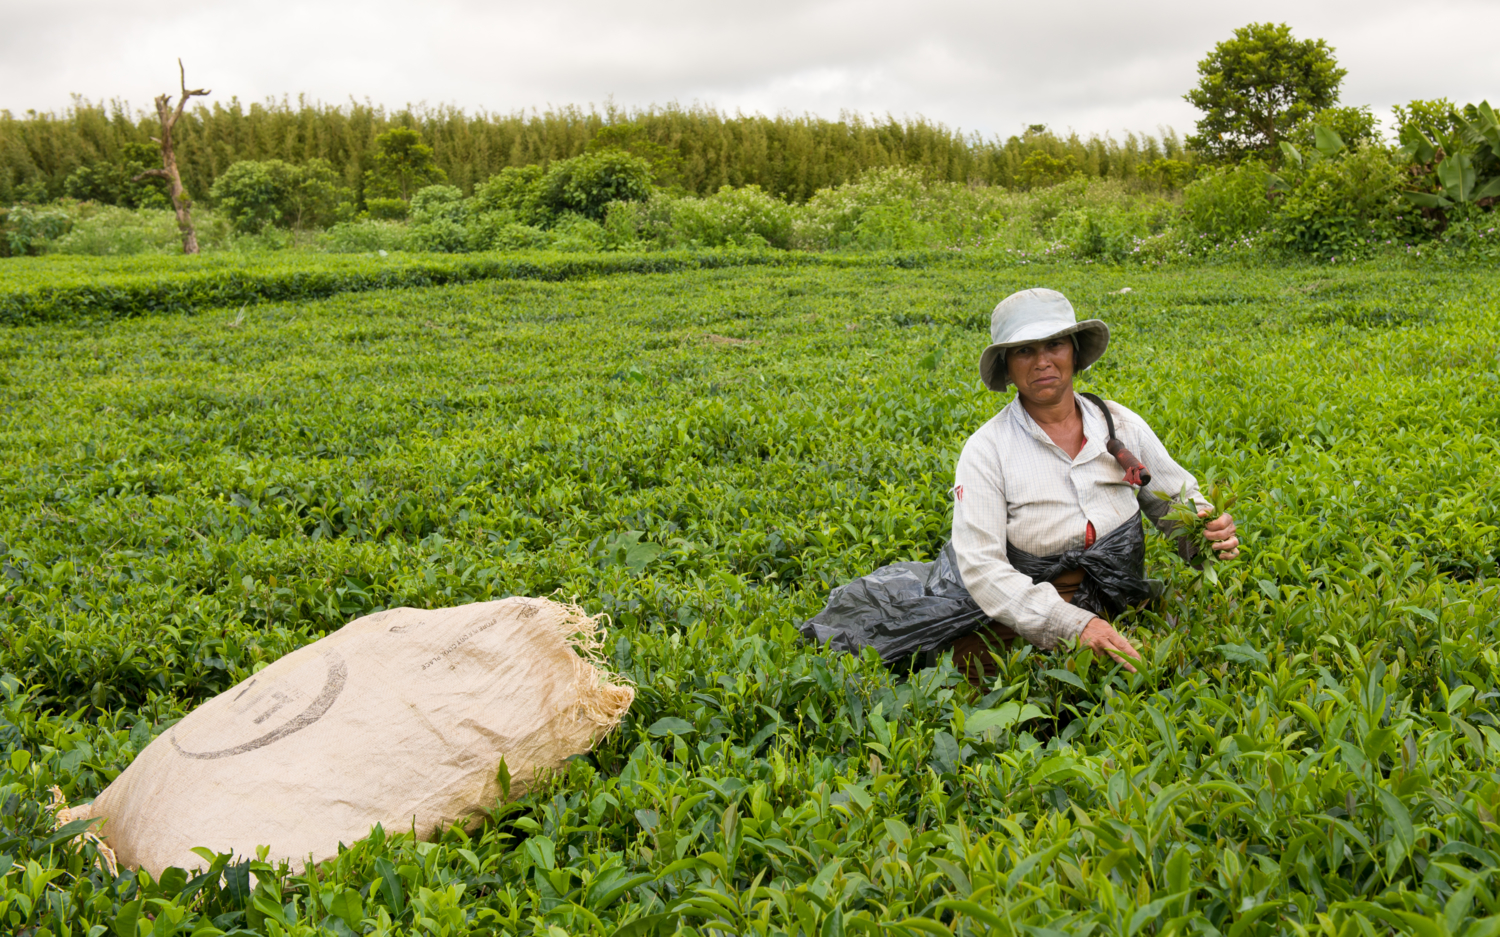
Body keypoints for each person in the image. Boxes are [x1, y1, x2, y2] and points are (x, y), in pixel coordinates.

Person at [950, 288, 1240, 674]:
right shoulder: (987, 449)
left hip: (1119, 597)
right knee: (1024, 695)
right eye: (1024, 350)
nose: (1042, 362)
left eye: (1054, 344)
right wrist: (1073, 623)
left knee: (1183, 669)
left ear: (1073, 351)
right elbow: (983, 567)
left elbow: (1173, 501)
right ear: (1007, 364)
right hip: (1027, 614)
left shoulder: (1119, 424)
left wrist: (1206, 527)